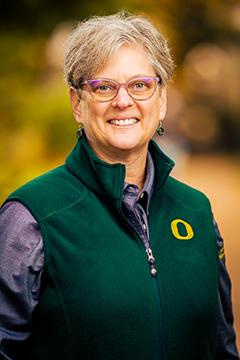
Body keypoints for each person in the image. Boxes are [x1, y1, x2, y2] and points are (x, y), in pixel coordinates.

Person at [0, 12, 239, 360]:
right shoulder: (32, 217)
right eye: (104, 87)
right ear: (77, 104)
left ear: (162, 101)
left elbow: (221, 345)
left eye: (140, 85)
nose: (123, 101)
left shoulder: (197, 211)